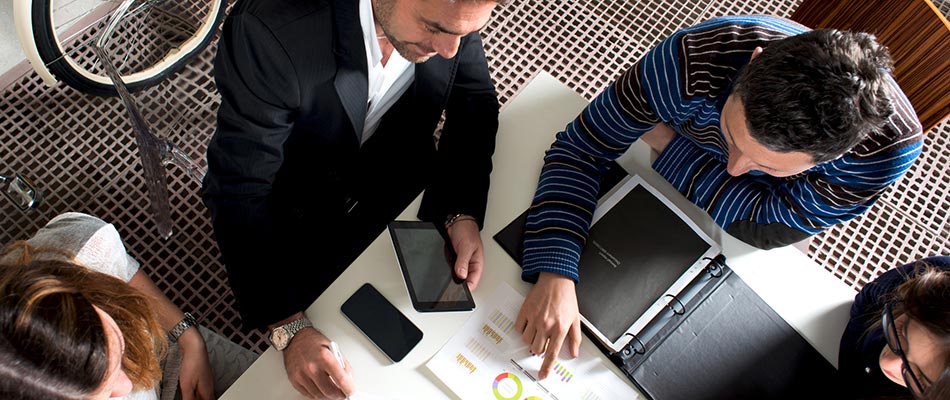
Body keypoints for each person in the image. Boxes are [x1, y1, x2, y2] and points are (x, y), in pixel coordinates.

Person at [516, 15, 924, 379]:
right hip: (679, 174)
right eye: (731, 135)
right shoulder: (688, 61)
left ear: (834, 157)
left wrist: (670, 145)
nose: (733, 166)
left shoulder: (883, 153)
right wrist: (556, 270)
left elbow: (766, 230)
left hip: (714, 196)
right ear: (753, 61)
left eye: (768, 166)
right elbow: (583, 146)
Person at [202, 0, 503, 397]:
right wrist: (288, 328)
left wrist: (459, 209)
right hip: (295, 217)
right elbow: (239, 190)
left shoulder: (449, 18)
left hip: (394, 182)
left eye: (463, 34)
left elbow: (474, 99)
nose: (450, 49)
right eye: (434, 28)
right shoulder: (269, 31)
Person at [0, 212, 256, 400]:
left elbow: (125, 278)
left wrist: (190, 340)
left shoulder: (83, 249)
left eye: (115, 341)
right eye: (104, 392)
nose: (126, 386)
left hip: (165, 351)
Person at [838, 256, 950, 399]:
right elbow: (867, 299)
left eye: (919, 379)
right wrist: (849, 372)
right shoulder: (933, 276)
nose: (887, 364)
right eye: (901, 332)